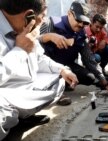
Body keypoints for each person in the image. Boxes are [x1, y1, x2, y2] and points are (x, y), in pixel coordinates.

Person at [0, 0, 78, 140]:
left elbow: (39, 58)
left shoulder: (26, 28)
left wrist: (62, 70)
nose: (43, 22)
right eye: (42, 17)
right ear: (29, 16)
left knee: (59, 80)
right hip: (3, 96)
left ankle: (20, 118)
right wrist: (20, 50)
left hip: (21, 90)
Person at [40, 1, 108, 95]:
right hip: (47, 66)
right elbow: (33, 46)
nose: (81, 25)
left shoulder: (81, 34)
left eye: (84, 22)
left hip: (67, 65)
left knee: (89, 77)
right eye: (78, 20)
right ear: (69, 13)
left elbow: (89, 59)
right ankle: (55, 87)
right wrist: (49, 36)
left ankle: (65, 83)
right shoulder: (50, 23)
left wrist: (103, 81)